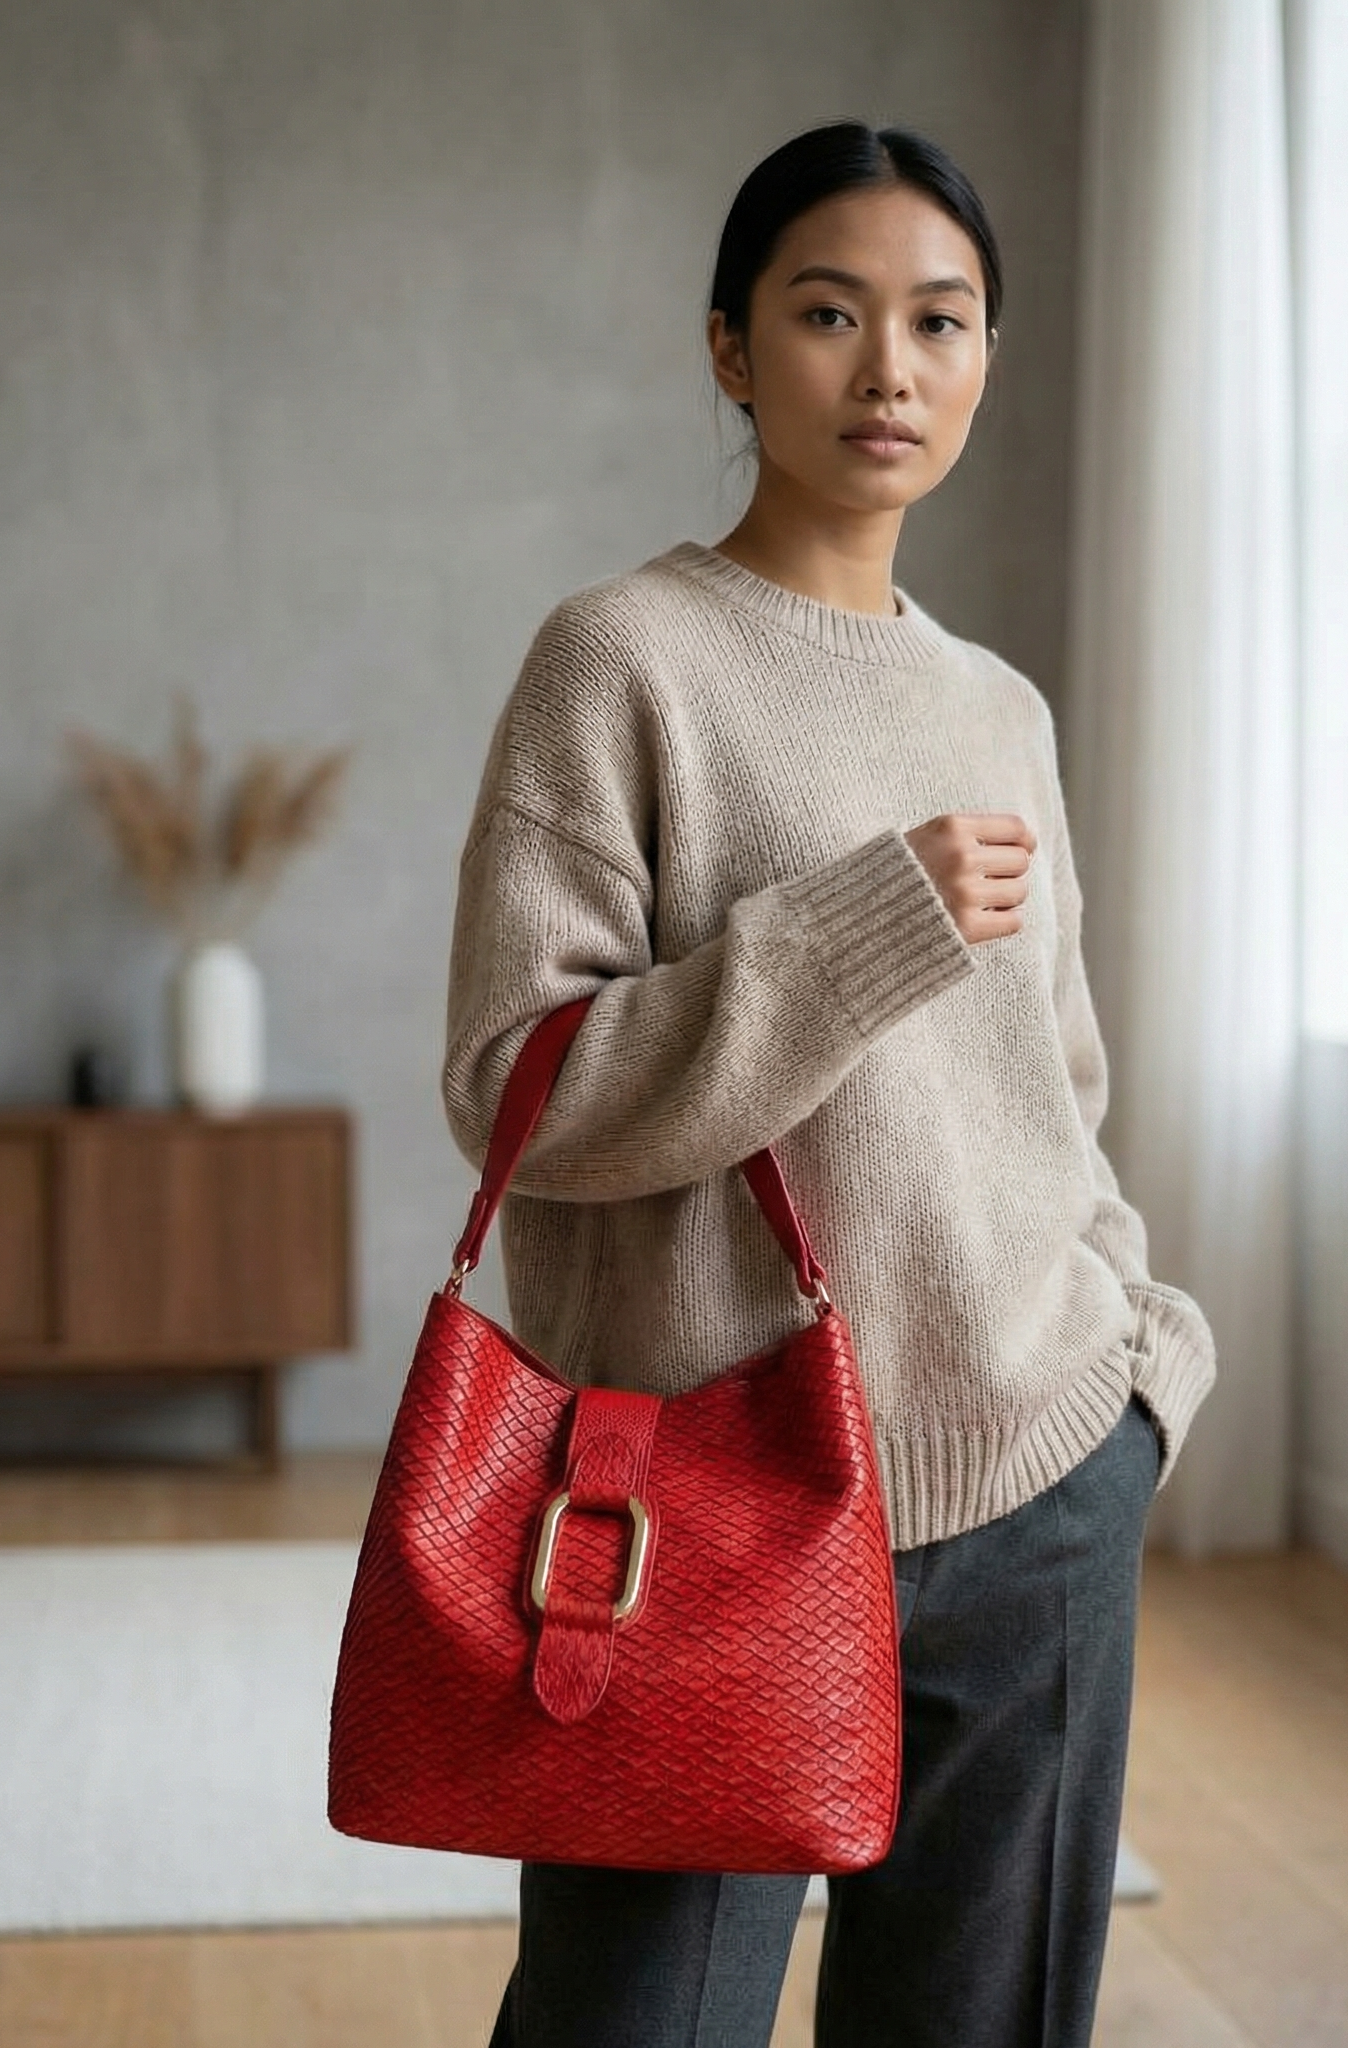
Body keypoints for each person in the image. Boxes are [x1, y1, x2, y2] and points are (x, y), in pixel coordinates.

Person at [442, 118, 1217, 2048]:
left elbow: (1061, 1094)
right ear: (730, 350)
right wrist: (864, 925)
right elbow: (522, 1097)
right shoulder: (618, 662)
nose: (890, 369)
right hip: (708, 1503)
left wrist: (1139, 1377)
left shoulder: (1000, 708)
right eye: (828, 313)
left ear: (983, 362)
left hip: (1039, 1482)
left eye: (940, 323)